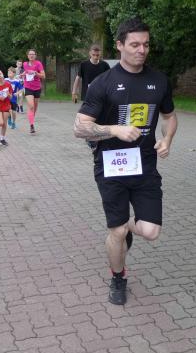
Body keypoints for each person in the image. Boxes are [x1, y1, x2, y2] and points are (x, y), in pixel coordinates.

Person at [73, 17, 178, 305]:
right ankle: (118, 277)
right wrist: (114, 130)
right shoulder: (103, 83)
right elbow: (79, 128)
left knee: (150, 231)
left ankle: (125, 227)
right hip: (111, 165)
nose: (141, 50)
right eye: (134, 45)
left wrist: (167, 139)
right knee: (116, 231)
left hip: (145, 165)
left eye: (146, 44)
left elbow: (170, 117)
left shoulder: (159, 80)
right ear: (119, 45)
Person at [21, 49, 45, 134]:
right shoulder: (25, 64)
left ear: (35, 56)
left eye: (33, 54)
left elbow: (43, 76)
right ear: (27, 56)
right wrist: (22, 75)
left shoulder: (38, 64)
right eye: (30, 54)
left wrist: (36, 73)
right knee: (31, 106)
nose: (31, 55)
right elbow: (26, 71)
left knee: (34, 107)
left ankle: (31, 120)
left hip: (37, 88)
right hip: (28, 87)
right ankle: (31, 125)